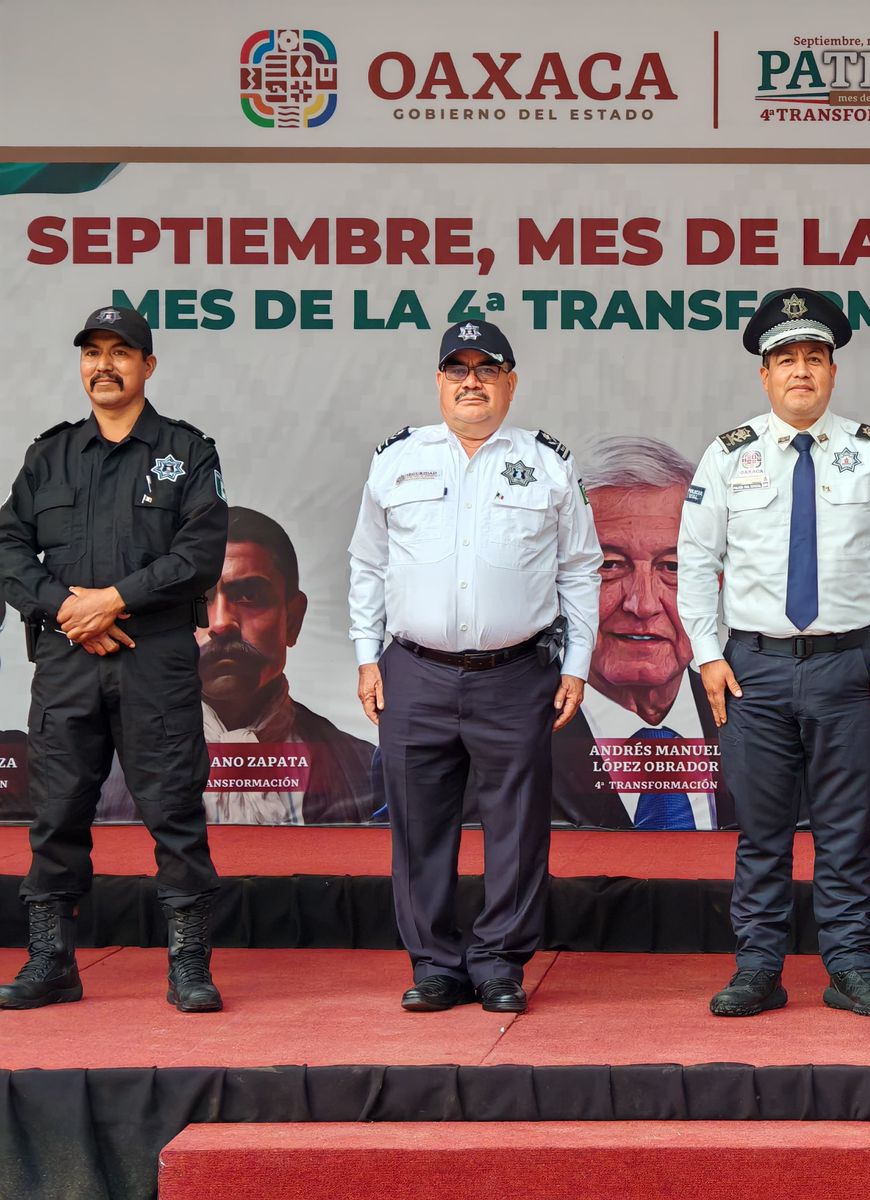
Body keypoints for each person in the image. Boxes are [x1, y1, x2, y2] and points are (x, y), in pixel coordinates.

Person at [678, 287, 870, 1018]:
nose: (801, 372)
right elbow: (696, 561)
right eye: (786, 359)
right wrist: (707, 656)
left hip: (850, 665)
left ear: (833, 372)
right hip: (752, 669)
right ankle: (758, 967)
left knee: (845, 830)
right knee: (762, 831)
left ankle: (850, 966)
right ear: (764, 374)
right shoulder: (729, 457)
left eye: (815, 357)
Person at [347, 319, 601, 1014]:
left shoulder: (548, 463)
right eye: (457, 370)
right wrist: (367, 656)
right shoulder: (397, 461)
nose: (471, 382)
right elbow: (367, 565)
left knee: (517, 827)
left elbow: (580, 569)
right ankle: (434, 963)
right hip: (414, 670)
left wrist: (576, 663)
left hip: (516, 673)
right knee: (418, 826)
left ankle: (498, 963)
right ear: (438, 382)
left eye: (486, 370)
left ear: (510, 384)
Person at [0, 304, 228, 1012]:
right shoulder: (50, 455)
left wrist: (114, 600)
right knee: (57, 814)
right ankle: (50, 961)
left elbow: (198, 556)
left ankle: (189, 966)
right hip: (68, 657)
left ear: (147, 366)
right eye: (92, 352)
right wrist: (69, 608)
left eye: (120, 352)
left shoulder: (187, 453)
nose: (104, 365)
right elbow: (9, 549)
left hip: (153, 661)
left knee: (174, 812)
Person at [98, 506, 378, 825]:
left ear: (293, 620)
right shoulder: (99, 768)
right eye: (197, 601)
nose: (220, 623)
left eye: (248, 595)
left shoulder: (366, 771)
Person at [553, 435, 726, 830]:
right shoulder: (511, 730)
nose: (642, 604)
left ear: (716, 582)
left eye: (674, 567)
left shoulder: (757, 719)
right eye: (610, 565)